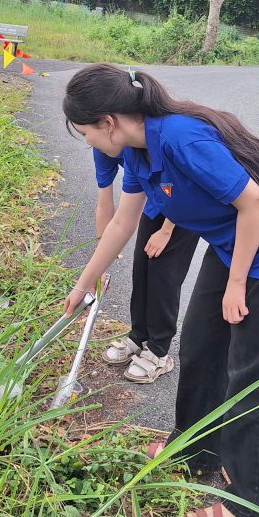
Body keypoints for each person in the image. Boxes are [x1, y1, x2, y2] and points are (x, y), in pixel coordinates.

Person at [62, 64, 259, 517]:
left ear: (108, 122)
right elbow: (122, 224)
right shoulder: (137, 152)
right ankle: (196, 449)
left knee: (258, 372)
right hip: (232, 244)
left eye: (86, 133)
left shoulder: (182, 140)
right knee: (202, 343)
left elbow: (254, 202)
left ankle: (251, 502)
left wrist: (237, 283)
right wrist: (84, 284)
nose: (88, 142)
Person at [92, 147, 200, 382]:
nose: (89, 141)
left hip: (184, 207)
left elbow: (183, 185)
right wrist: (100, 266)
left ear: (112, 128)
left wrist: (166, 231)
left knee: (164, 275)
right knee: (141, 269)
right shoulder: (103, 147)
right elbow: (105, 205)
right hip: (156, 201)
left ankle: (159, 351)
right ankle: (138, 337)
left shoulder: (148, 142)